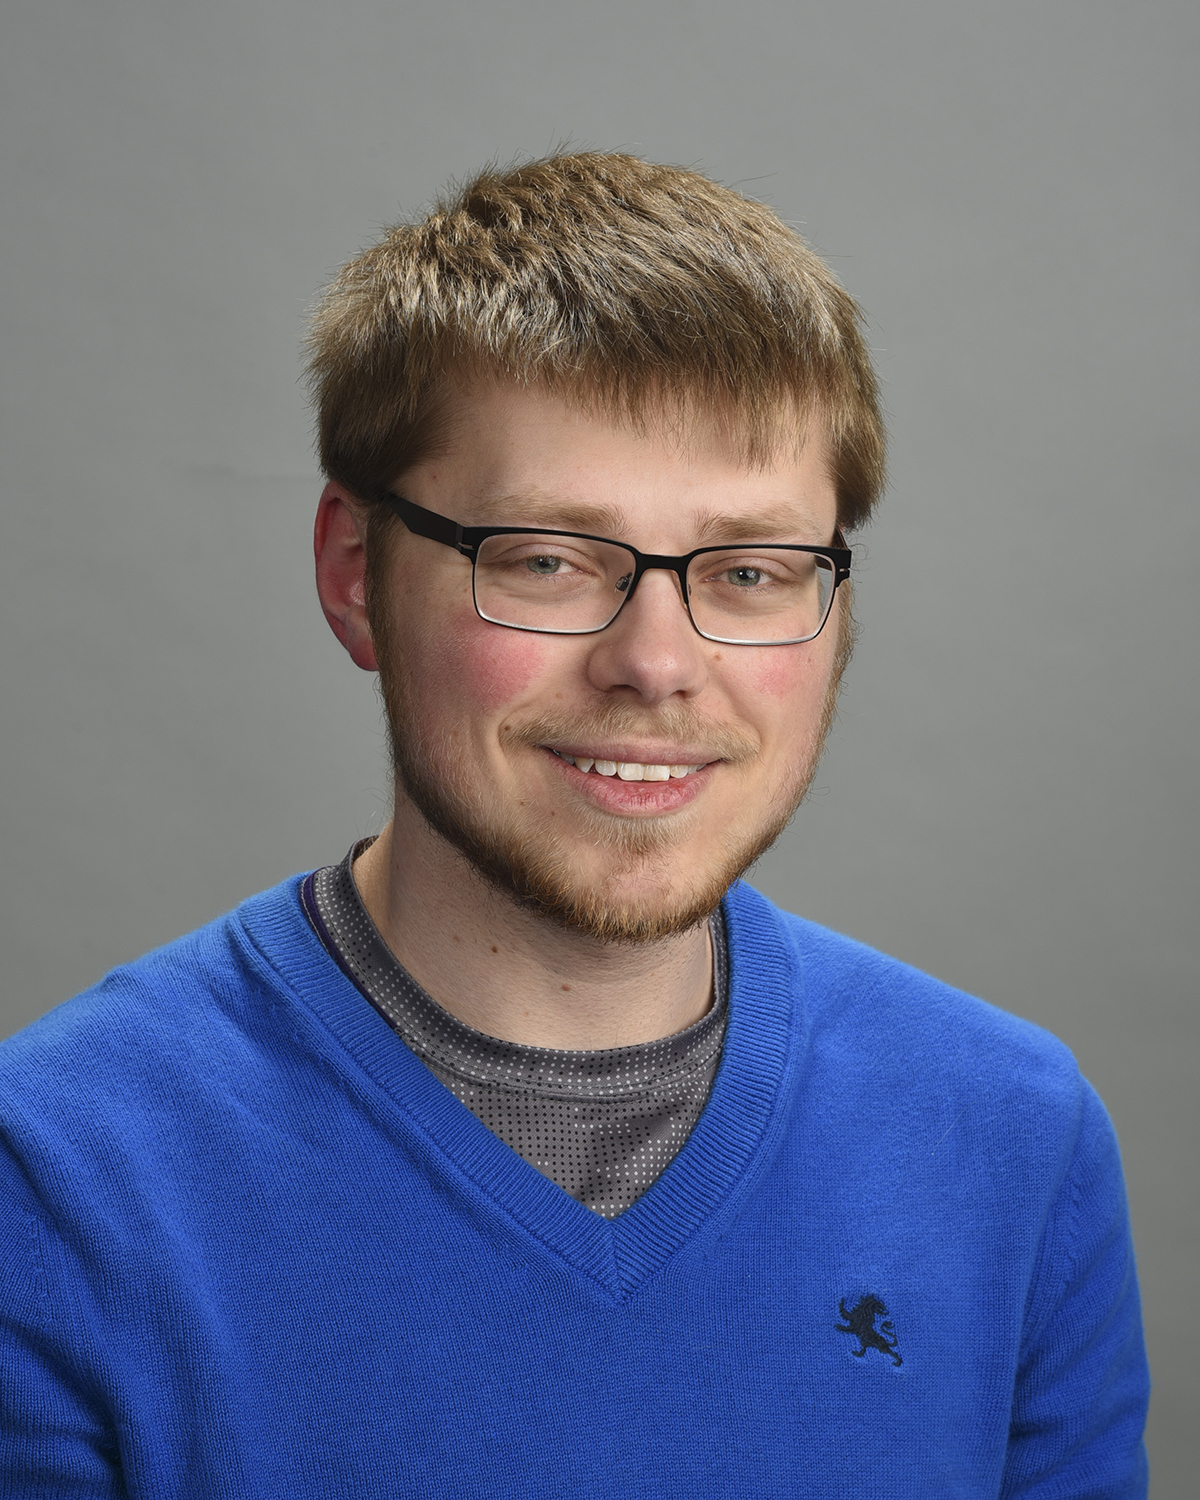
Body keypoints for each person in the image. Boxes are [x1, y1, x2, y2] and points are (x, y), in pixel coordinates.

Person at [0, 153, 1148, 1497]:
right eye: (547, 558)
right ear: (356, 574)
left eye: (751, 570)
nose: (656, 664)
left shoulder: (1011, 1144)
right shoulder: (58, 1180)